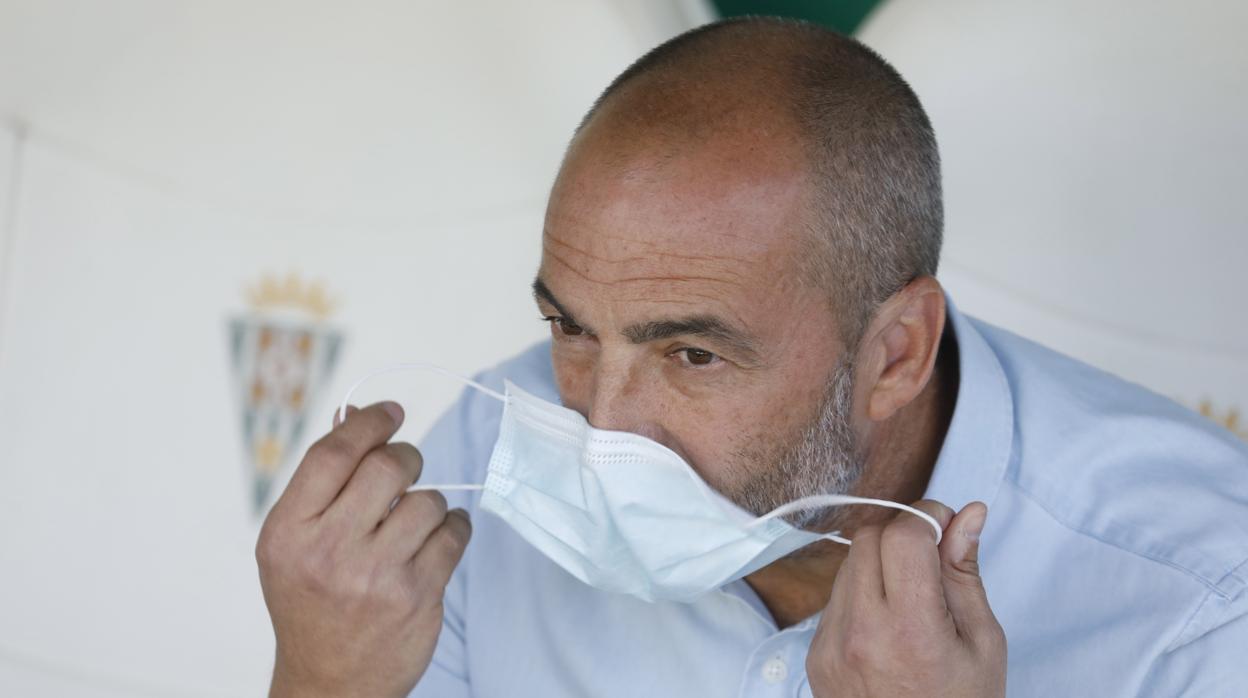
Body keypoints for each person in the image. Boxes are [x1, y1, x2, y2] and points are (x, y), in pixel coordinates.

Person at [255, 17, 1248, 697]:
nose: (599, 427)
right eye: (571, 328)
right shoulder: (491, 455)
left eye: (691, 353)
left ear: (897, 354)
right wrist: (318, 679)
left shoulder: (1201, 601)